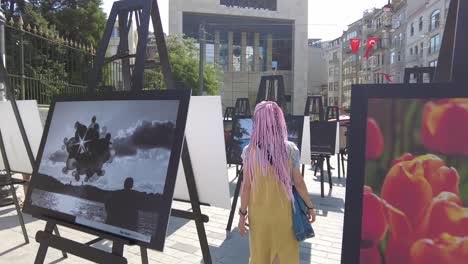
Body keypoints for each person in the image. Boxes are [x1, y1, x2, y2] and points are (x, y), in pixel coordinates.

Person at [238, 101, 316, 264]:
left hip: (258, 216)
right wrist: (310, 206)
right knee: (284, 256)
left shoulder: (249, 151)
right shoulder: (291, 149)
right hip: (284, 215)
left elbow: (246, 187)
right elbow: (299, 183)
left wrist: (242, 215)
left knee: (260, 256)